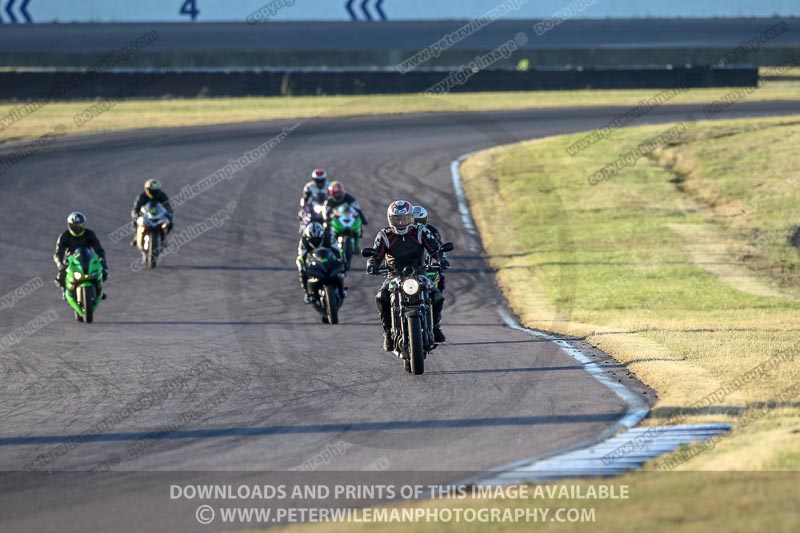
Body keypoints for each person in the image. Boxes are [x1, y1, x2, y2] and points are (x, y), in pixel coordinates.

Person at [366, 200, 445, 352]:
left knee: (437, 297)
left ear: (411, 218)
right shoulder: (384, 235)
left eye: (405, 219)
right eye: (397, 219)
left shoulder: (420, 231)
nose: (401, 222)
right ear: (390, 219)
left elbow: (435, 249)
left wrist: (442, 260)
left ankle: (435, 326)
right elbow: (376, 255)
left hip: (419, 273)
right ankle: (388, 333)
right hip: (394, 275)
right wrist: (372, 264)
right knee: (381, 297)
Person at [54, 212, 108, 297]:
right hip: (72, 261)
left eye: (80, 226)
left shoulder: (89, 234)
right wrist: (60, 264)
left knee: (103, 271)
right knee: (61, 276)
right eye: (74, 226)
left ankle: (99, 289)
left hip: (88, 258)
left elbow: (98, 248)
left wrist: (102, 259)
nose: (77, 228)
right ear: (69, 226)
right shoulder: (64, 236)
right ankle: (65, 290)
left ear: (84, 225)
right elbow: (58, 253)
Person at [296, 222, 342, 304]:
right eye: (312, 240)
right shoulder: (303, 242)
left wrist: (342, 260)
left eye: (317, 239)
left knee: (341, 270)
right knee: (301, 270)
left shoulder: (329, 237)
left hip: (328, 257)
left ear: (322, 236)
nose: (315, 242)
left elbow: (339, 251)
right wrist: (302, 265)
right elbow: (301, 257)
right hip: (312, 260)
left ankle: (341, 291)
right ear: (307, 238)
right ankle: (307, 293)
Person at [412, 205, 450, 291]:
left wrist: (442, 260)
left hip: (425, 263)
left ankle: (437, 296)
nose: (418, 224)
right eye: (416, 221)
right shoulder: (404, 233)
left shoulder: (431, 230)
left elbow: (438, 246)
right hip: (405, 265)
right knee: (389, 287)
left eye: (421, 221)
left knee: (439, 276)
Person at [323, 180, 368, 249]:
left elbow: (357, 209)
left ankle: (356, 245)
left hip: (348, 218)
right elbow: (326, 213)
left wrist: (363, 219)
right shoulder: (329, 202)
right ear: (331, 193)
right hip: (336, 220)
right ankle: (328, 245)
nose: (337, 195)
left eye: (338, 192)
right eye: (335, 193)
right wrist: (327, 220)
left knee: (358, 222)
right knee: (326, 229)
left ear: (341, 191)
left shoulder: (349, 197)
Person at [130, 179, 173, 246]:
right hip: (146, 216)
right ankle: (136, 236)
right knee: (135, 222)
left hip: (159, 216)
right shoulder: (142, 196)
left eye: (156, 191)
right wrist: (136, 215)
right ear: (147, 189)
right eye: (152, 191)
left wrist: (169, 214)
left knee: (170, 223)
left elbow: (168, 206)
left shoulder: (162, 196)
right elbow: (136, 207)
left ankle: (164, 238)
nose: (154, 193)